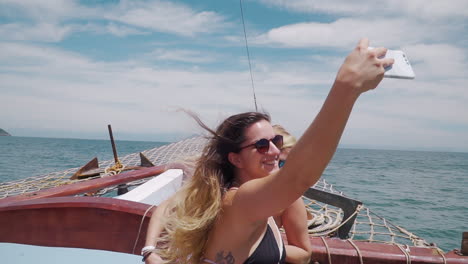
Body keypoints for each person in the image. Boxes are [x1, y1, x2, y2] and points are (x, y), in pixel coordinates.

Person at [143, 38, 393, 264]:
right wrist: (347, 87)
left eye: (276, 141)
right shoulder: (237, 202)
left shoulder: (225, 198)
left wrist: (149, 251)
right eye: (261, 145)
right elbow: (297, 177)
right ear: (235, 159)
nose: (274, 150)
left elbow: (165, 206)